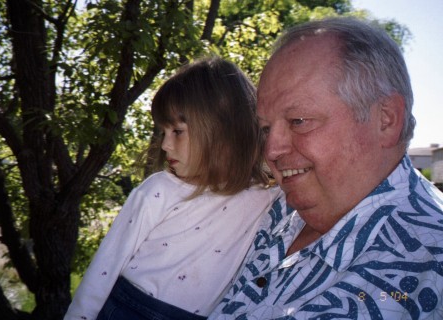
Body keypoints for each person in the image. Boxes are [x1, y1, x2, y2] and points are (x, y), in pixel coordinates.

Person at [209, 17, 443, 319]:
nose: (271, 151)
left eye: (299, 121)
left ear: (386, 119)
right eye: (266, 128)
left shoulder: (429, 270)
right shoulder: (264, 208)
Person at [64, 56, 282, 320]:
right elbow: (105, 266)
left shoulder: (265, 196)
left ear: (223, 129)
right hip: (128, 309)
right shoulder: (159, 190)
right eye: (163, 132)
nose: (165, 144)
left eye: (177, 131)